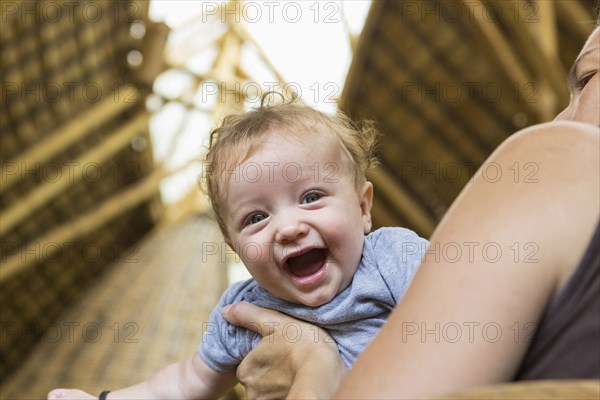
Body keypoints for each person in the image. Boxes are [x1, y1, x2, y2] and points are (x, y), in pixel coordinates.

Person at [220, 26, 600, 399]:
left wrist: (313, 367)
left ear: (363, 205)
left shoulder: (557, 159)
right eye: (256, 218)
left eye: (587, 77)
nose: (558, 121)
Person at [48, 97, 429, 400]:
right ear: (235, 249)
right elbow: (185, 382)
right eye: (256, 218)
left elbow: (458, 319)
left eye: (311, 197)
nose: (288, 228)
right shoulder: (244, 313)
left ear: (363, 208)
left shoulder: (391, 257)